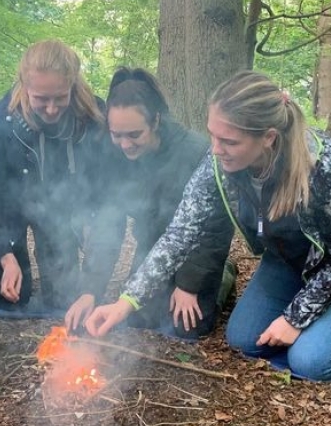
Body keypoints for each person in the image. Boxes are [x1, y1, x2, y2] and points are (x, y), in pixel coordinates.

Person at [86, 70, 331, 381]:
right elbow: (180, 234)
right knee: (244, 339)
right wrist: (126, 301)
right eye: (213, 135)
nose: (215, 150)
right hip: (288, 256)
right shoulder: (218, 165)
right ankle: (324, 311)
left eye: (228, 141)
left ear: (268, 138)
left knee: (311, 361)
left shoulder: (322, 165)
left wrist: (293, 319)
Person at [64, 67, 235, 341]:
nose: (125, 144)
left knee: (187, 328)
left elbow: (216, 224)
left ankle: (224, 277)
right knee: (138, 319)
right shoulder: (112, 155)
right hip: (152, 249)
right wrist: (90, 290)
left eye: (134, 134)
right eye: (116, 135)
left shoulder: (193, 152)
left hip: (196, 251)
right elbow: (107, 224)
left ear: (155, 121)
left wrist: (190, 284)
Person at [0, 40, 121, 318]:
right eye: (41, 98)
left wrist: (88, 229)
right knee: (10, 303)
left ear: (73, 86)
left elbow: (106, 197)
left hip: (57, 210)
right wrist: (5, 256)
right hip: (7, 210)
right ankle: (8, 269)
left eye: (60, 97)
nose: (51, 109)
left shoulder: (92, 119)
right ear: (24, 87)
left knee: (63, 301)